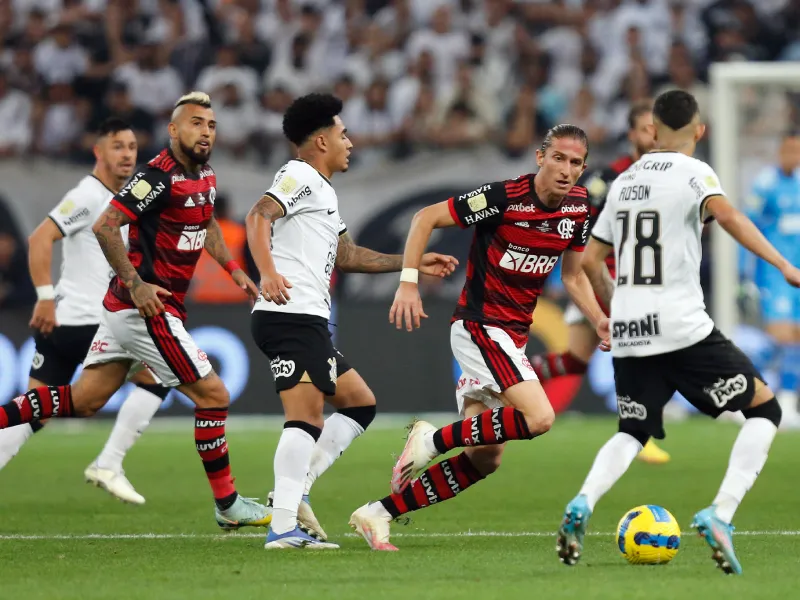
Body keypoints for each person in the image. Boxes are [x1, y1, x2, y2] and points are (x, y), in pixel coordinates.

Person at [0, 92, 271, 531]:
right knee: (215, 395)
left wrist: (234, 268)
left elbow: (206, 223)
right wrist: (135, 281)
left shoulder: (205, 174)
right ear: (173, 130)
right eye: (196, 123)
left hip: (125, 310)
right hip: (146, 308)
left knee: (84, 400)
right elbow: (106, 225)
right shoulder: (154, 177)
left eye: (211, 125)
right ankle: (228, 504)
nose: (205, 132)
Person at [556, 90, 800, 575]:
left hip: (629, 328)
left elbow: (587, 262)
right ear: (699, 130)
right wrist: (785, 266)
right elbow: (728, 217)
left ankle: (583, 501)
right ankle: (721, 513)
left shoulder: (624, 181)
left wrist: (607, 313)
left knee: (633, 430)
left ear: (653, 131)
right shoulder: (696, 173)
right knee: (765, 409)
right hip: (682, 325)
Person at [349, 124, 608, 551]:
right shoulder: (503, 197)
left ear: (583, 169)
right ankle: (430, 439)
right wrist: (408, 283)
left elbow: (575, 275)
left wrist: (598, 317)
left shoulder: (578, 208)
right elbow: (424, 217)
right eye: (558, 158)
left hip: (514, 335)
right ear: (540, 158)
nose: (566, 169)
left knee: (485, 457)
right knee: (540, 418)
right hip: (480, 326)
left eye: (575, 162)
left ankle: (377, 514)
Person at [246, 93, 458, 549]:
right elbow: (257, 215)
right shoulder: (298, 174)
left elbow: (349, 256)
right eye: (343, 134)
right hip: (290, 314)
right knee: (305, 417)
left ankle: (294, 494)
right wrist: (267, 272)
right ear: (321, 141)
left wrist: (413, 262)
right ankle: (282, 525)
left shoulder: (323, 190)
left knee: (359, 403)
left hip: (304, 318)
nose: (351, 142)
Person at [0, 118, 169, 505]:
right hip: (90, 321)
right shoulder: (89, 196)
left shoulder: (122, 197)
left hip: (63, 324)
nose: (127, 154)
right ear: (99, 151)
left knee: (33, 413)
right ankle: (110, 461)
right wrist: (43, 295)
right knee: (166, 370)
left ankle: (109, 461)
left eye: (131, 147)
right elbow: (41, 236)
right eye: (117, 147)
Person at [530, 101, 671, 465]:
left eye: (657, 129)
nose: (652, 136)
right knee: (641, 353)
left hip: (643, 282)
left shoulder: (669, 177)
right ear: (632, 135)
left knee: (574, 362)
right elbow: (578, 227)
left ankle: (516, 374)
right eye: (645, 129)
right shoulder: (607, 180)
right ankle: (638, 432)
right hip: (604, 279)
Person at [745, 131, 800, 428]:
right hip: (776, 275)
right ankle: (744, 393)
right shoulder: (765, 184)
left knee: (796, 339)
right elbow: (746, 227)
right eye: (789, 150)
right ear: (780, 151)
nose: (793, 155)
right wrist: (746, 275)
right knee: (781, 337)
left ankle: (789, 402)